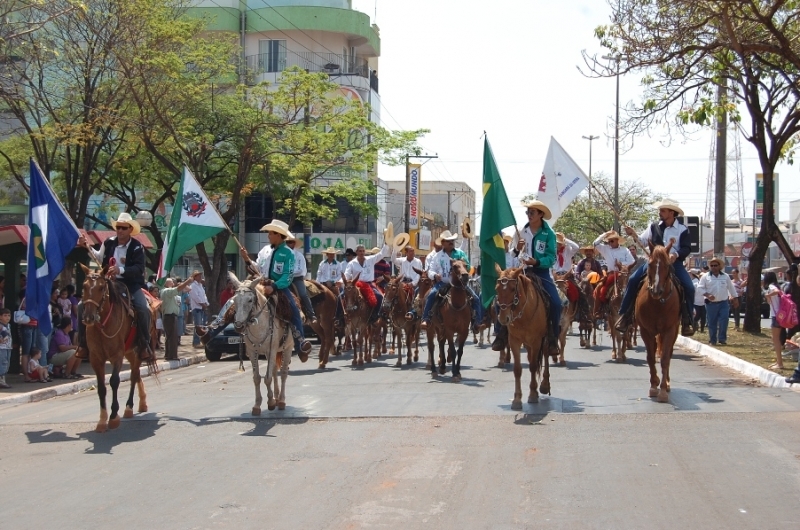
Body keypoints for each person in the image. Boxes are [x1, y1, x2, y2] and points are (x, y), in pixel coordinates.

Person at [77, 212, 153, 361]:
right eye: (118, 227)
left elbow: (139, 268)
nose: (120, 230)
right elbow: (98, 257)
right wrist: (87, 246)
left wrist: (121, 270)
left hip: (130, 285)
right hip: (108, 283)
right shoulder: (108, 242)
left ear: (130, 229)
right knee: (81, 305)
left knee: (144, 309)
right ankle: (83, 344)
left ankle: (144, 344)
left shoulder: (137, 247)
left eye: (123, 228)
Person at [615, 199, 696, 336]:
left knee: (689, 287)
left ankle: (688, 320)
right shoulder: (654, 227)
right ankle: (625, 316)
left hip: (673, 263)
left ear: (672, 213)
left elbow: (687, 248)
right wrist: (633, 234)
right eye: (660, 210)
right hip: (653, 262)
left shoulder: (683, 230)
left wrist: (675, 255)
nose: (660, 213)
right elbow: (643, 241)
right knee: (634, 280)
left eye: (663, 210)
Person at [493, 200, 561, 355]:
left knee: (556, 304)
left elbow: (552, 258)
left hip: (541, 273)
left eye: (532, 212)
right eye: (527, 212)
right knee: (502, 298)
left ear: (540, 214)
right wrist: (516, 248)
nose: (529, 215)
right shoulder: (522, 232)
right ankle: (500, 334)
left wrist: (536, 261)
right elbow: (512, 253)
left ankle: (553, 338)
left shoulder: (548, 234)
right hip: (521, 272)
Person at [240, 219, 312, 356]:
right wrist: (246, 258)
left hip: (279, 287)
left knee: (294, 309)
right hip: (260, 283)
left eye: (270, 233)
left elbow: (288, 276)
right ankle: (214, 328)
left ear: (278, 235)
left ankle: (300, 342)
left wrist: (274, 286)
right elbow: (257, 268)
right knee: (239, 298)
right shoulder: (265, 250)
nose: (268, 236)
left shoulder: (288, 253)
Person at [421, 230, 482, 332]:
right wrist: (435, 275)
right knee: (431, 295)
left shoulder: (460, 253)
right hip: (443, 283)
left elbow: (467, 266)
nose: (451, 242)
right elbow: (430, 270)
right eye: (448, 241)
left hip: (459, 284)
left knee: (475, 298)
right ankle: (426, 319)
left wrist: (464, 268)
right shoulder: (437, 256)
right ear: (443, 243)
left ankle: (477, 323)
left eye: (452, 240)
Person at [343, 243, 392, 322]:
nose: (362, 253)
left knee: (380, 297)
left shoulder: (370, 259)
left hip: (369, 284)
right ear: (356, 252)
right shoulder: (351, 263)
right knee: (340, 296)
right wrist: (340, 281)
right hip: (356, 285)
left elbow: (381, 254)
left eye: (363, 251)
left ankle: (375, 316)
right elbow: (347, 275)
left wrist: (386, 244)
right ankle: (340, 318)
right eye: (360, 251)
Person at [697, 257, 738, 346]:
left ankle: (722, 339)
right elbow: (700, 288)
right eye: (712, 265)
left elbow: (731, 288)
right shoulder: (705, 276)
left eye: (715, 265)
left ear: (719, 266)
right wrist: (707, 295)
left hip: (723, 303)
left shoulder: (725, 276)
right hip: (711, 304)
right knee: (712, 322)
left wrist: (735, 298)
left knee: (724, 320)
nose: (713, 267)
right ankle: (713, 339)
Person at [159, 277, 193, 361]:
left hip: (172, 316)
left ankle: (169, 355)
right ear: (166, 284)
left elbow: (187, 290)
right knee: (172, 337)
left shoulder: (171, 293)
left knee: (171, 336)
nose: (173, 283)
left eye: (173, 282)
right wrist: (187, 281)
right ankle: (172, 356)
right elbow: (178, 288)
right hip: (169, 316)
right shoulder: (166, 291)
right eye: (171, 282)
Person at [286, 233, 317, 323]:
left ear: (294, 244)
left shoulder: (299, 256)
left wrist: (289, 273)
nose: (289, 244)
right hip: (284, 278)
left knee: (303, 294)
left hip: (296, 278)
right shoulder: (282, 255)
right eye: (287, 242)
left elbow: (300, 270)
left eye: (290, 242)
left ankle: (311, 314)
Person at [393, 245, 423, 320]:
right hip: (402, 282)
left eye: (413, 251)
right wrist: (395, 249)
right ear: (406, 253)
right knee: (392, 292)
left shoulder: (418, 261)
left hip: (414, 283)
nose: (412, 253)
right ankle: (391, 312)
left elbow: (419, 275)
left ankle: (413, 312)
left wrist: (412, 283)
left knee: (416, 296)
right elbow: (393, 259)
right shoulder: (402, 260)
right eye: (410, 251)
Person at [763, 271, 784, 371]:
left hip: (776, 316)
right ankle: (778, 361)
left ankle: (780, 363)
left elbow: (776, 292)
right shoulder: (777, 285)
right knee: (777, 339)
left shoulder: (772, 287)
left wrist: (768, 295)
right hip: (779, 315)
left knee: (776, 340)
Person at [188, 270, 209, 349]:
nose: (201, 277)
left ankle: (201, 341)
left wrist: (206, 303)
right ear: (195, 277)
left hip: (202, 307)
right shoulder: (193, 286)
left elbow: (204, 296)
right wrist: (202, 304)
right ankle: (196, 342)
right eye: (199, 276)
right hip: (197, 308)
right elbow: (195, 297)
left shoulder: (200, 285)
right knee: (198, 326)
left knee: (203, 325)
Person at [692, 269, 707, 333]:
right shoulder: (695, 284)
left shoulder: (706, 286)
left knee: (703, 316)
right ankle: (694, 327)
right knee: (697, 316)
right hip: (696, 303)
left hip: (703, 303)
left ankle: (702, 329)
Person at [0, 308, 12, 388]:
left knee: (7, 363)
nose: (7, 317)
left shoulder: (8, 325)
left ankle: (3, 379)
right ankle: (1, 380)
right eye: (5, 315)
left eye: (8, 315)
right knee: (3, 363)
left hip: (8, 346)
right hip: (1, 347)